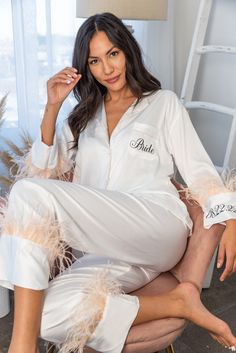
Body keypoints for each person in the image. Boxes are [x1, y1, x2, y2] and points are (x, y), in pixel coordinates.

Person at [0, 12, 236, 353]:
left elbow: (200, 171)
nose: (107, 69)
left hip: (157, 226)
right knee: (43, 313)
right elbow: (41, 178)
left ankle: (21, 348)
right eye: (95, 61)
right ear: (86, 67)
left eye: (113, 54)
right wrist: (52, 108)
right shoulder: (81, 118)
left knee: (27, 194)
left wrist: (230, 218)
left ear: (127, 51)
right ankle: (177, 302)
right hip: (105, 246)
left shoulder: (162, 104)